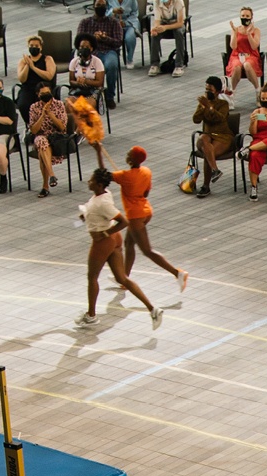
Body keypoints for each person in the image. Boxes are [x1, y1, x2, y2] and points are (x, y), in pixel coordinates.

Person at [76, 167, 163, 327]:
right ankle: (152, 309)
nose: (89, 182)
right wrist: (87, 216)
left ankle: (91, 315)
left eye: (92, 180)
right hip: (115, 241)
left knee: (92, 277)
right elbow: (96, 211)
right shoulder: (104, 195)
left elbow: (124, 221)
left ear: (100, 184)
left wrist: (105, 234)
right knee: (121, 278)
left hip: (103, 242)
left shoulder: (102, 203)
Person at [115, 146, 188, 291]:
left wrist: (98, 152)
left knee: (147, 250)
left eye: (129, 153)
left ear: (131, 159)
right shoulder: (146, 171)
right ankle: (124, 279)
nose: (126, 154)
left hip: (135, 216)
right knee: (129, 243)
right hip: (146, 211)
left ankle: (177, 273)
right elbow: (146, 193)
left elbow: (103, 174)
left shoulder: (125, 175)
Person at [76, 1, 127, 107]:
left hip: (108, 52)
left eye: (103, 5)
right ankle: (87, 94)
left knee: (112, 65)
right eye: (98, 5)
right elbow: (78, 41)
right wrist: (92, 38)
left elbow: (118, 42)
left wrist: (105, 38)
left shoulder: (114, 22)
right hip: (90, 53)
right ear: (94, 6)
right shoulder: (85, 22)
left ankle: (109, 96)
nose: (101, 7)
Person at [25, 83, 72, 196]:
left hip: (57, 138)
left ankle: (45, 186)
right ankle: (51, 175)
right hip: (41, 136)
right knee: (41, 141)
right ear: (38, 95)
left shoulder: (59, 105)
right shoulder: (34, 107)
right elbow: (34, 130)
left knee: (42, 152)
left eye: (48, 93)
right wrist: (42, 114)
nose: (46, 96)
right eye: (43, 94)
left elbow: (62, 127)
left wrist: (50, 113)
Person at [191, 77, 234, 196]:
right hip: (208, 136)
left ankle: (206, 186)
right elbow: (196, 120)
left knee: (207, 152)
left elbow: (220, 118)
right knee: (203, 139)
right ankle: (215, 170)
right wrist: (202, 107)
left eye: (210, 89)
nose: (207, 92)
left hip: (222, 136)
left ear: (217, 91)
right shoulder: (203, 103)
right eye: (206, 89)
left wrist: (210, 107)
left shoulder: (223, 104)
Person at [240, 89, 267, 201]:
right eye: (263, 99)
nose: (265, 101)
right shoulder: (257, 112)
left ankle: (248, 149)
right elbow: (253, 133)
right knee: (255, 155)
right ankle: (254, 187)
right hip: (259, 141)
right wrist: (252, 121)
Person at [225, 8, 264, 101]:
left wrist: (249, 34)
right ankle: (232, 93)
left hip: (251, 55)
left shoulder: (256, 30)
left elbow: (254, 46)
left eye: (247, 16)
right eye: (243, 16)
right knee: (237, 67)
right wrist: (234, 33)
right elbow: (233, 46)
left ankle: (258, 91)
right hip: (237, 55)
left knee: (247, 65)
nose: (245, 18)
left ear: (251, 17)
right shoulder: (236, 29)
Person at [16, 35, 57, 121]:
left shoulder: (48, 59)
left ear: (41, 47)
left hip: (43, 88)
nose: (34, 48)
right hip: (28, 88)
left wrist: (33, 67)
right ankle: (30, 124)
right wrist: (27, 65)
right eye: (31, 46)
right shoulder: (23, 61)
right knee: (23, 105)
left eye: (36, 46)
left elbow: (49, 76)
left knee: (41, 105)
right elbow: (22, 79)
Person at [148, 0, 188, 76]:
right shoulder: (157, 2)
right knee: (154, 35)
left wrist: (165, 27)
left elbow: (180, 23)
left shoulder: (178, 2)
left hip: (177, 25)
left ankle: (179, 65)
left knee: (179, 33)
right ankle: (154, 64)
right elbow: (157, 20)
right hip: (164, 24)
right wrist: (155, 28)